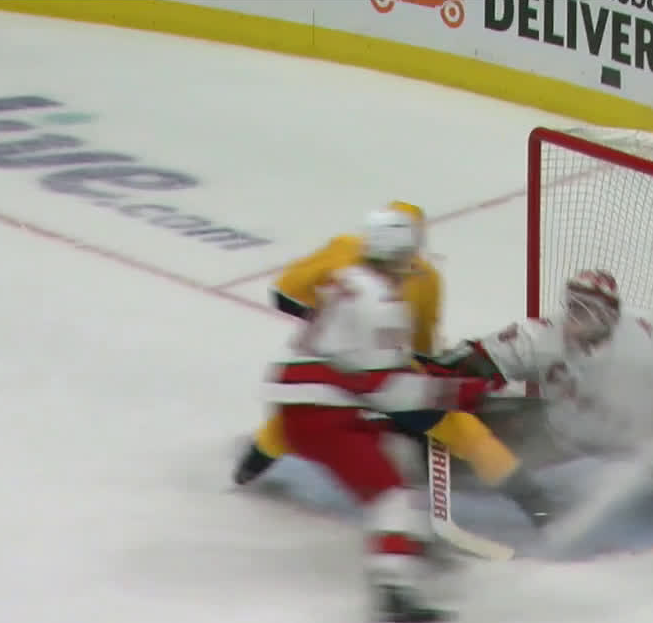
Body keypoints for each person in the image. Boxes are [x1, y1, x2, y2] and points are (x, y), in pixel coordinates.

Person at [232, 201, 547, 524]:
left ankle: (246, 472)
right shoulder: (426, 276)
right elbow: (421, 351)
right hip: (387, 373)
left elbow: (284, 293)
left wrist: (330, 326)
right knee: (463, 431)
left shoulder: (345, 248)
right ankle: (537, 505)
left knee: (295, 418)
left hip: (329, 368)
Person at [261, 205, 494, 623]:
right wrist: (466, 393)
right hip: (321, 410)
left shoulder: (348, 279)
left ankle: (414, 538)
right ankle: (393, 586)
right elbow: (390, 390)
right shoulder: (383, 302)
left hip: (302, 398)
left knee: (399, 455)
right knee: (391, 497)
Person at [425, 269, 653, 488]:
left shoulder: (644, 339)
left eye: (585, 308)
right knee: (477, 452)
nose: (573, 314)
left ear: (607, 316)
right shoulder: (542, 335)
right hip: (563, 442)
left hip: (636, 450)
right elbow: (481, 357)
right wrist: (450, 371)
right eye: (572, 304)